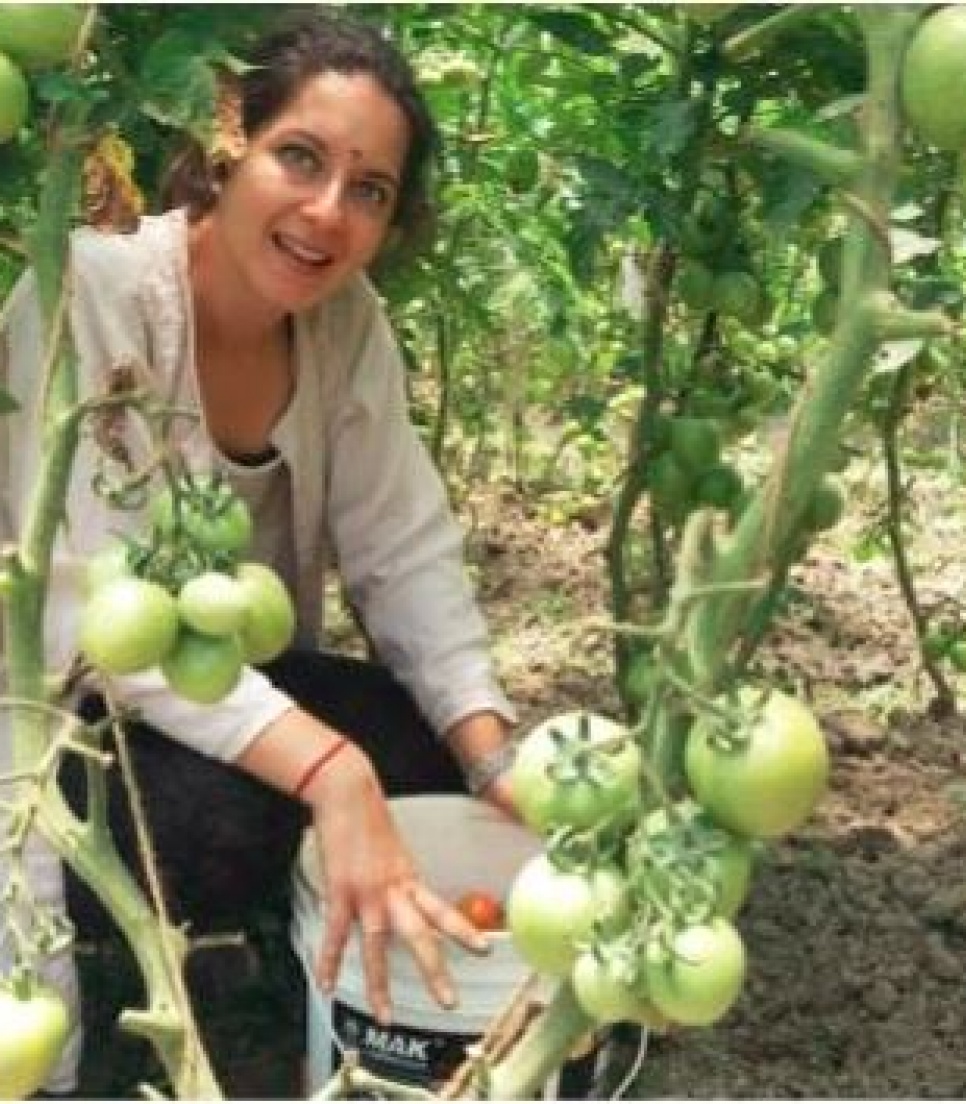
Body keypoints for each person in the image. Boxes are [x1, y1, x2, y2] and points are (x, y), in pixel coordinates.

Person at [0, 10, 519, 1095]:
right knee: (247, 808)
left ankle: (299, 956)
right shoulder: (92, 291)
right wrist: (331, 776)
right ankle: (123, 979)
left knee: (417, 752)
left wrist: (493, 761)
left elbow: (404, 549)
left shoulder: (345, 327)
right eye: (301, 157)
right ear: (228, 146)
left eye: (369, 189)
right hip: (59, 722)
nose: (329, 211)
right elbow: (112, 630)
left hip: (208, 697)